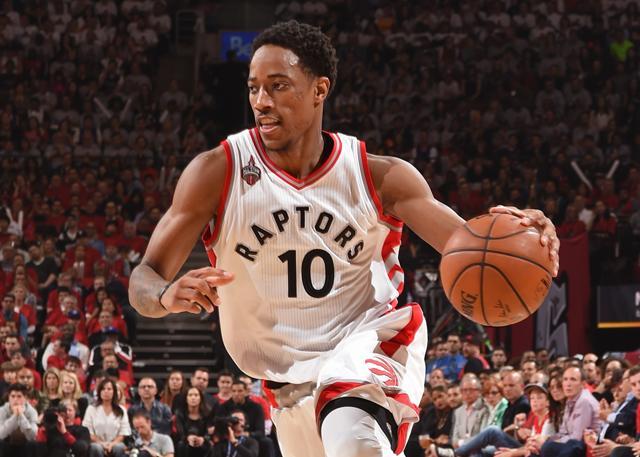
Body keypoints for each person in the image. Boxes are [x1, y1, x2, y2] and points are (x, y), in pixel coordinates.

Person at [128, 20, 559, 457]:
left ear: (320, 89)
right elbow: (143, 278)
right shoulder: (217, 172)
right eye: (254, 88)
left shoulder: (378, 176)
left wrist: (524, 238)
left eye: (278, 86)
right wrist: (164, 296)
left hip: (367, 342)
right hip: (288, 386)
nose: (261, 101)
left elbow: (468, 248)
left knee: (354, 440)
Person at [82, 378, 131, 457]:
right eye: (103, 389)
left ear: (114, 392)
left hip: (115, 443)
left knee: (119, 447)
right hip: (97, 443)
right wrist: (102, 443)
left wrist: (112, 444)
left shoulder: (122, 409)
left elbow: (123, 432)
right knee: (96, 448)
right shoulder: (91, 409)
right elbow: (88, 431)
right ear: (99, 391)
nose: (106, 391)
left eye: (109, 389)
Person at [0, 383, 39, 456]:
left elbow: (33, 436)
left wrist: (21, 416)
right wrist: (15, 416)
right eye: (12, 396)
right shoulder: (2, 410)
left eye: (19, 396)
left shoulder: (32, 411)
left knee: (34, 444)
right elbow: (1, 434)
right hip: (7, 445)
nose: (15, 399)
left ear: (25, 398)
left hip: (25, 446)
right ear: (8, 397)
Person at [173, 386, 212, 457]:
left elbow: (208, 432)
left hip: (202, 442)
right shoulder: (180, 413)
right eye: (190, 395)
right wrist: (188, 438)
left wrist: (203, 439)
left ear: (200, 398)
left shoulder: (207, 413)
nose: (193, 398)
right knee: (181, 445)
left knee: (209, 446)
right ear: (186, 398)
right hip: (185, 442)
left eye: (196, 395)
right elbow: (180, 433)